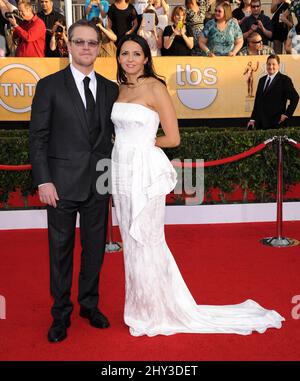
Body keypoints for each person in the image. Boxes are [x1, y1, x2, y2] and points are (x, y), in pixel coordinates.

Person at [111, 34, 285, 337]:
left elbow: (173, 138)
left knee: (148, 241)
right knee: (130, 240)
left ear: (146, 57)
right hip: (121, 172)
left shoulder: (155, 87)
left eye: (136, 53)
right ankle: (139, 306)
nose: (129, 59)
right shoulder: (118, 89)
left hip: (145, 174)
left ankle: (158, 309)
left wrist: (142, 146)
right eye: (124, 53)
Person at [29, 19, 119, 343]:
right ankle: (61, 313)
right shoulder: (50, 86)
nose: (85, 47)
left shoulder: (111, 88)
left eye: (91, 43)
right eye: (79, 42)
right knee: (61, 252)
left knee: (95, 250)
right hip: (61, 185)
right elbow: (38, 138)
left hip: (99, 183)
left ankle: (89, 305)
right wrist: (43, 181)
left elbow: (114, 137)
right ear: (68, 45)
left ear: (99, 48)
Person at [247, 54, 299, 130]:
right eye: (269, 64)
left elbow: (295, 98)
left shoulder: (284, 80)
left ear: (278, 65)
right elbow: (258, 101)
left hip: (276, 124)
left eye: (273, 64)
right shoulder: (262, 80)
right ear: (266, 65)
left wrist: (286, 114)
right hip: (260, 124)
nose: (271, 67)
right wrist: (252, 119)